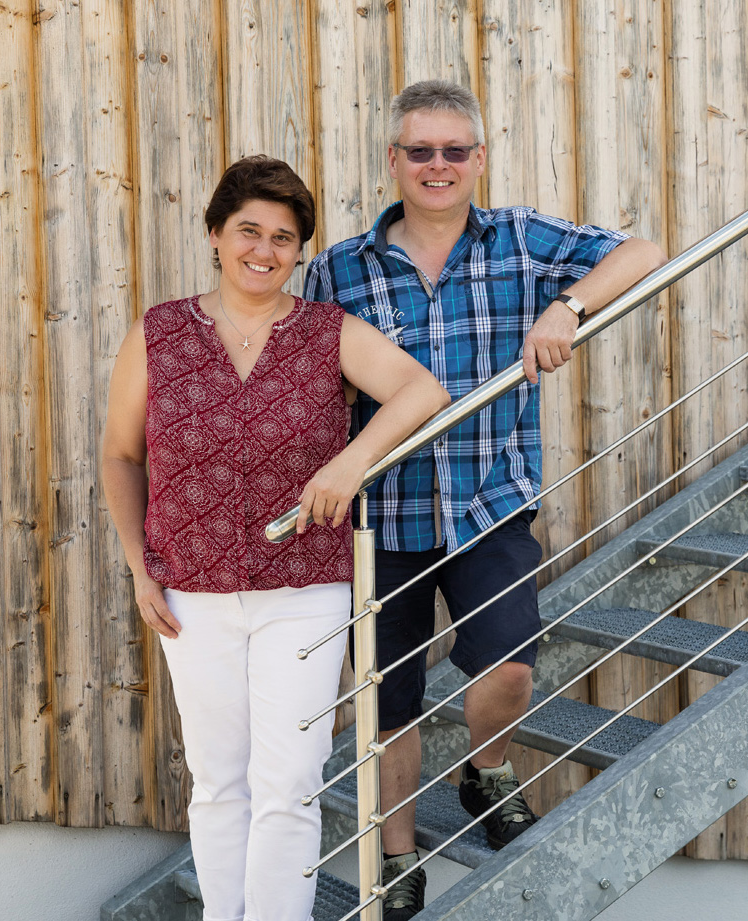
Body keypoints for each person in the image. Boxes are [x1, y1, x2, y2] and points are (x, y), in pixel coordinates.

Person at [304, 81, 667, 919]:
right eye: (419, 151)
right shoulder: (338, 269)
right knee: (388, 700)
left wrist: (566, 306)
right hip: (382, 517)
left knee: (505, 663)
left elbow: (642, 251)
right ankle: (397, 860)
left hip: (490, 501)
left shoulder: (520, 239)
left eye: (454, 150)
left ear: (478, 158)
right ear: (393, 160)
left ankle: (485, 768)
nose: (438, 165)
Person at [102, 155, 449, 921]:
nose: (264, 250)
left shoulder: (327, 333)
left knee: (288, 783)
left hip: (306, 591)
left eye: (284, 238)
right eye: (249, 231)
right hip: (188, 593)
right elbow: (123, 454)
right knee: (220, 782)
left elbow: (422, 390)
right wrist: (139, 567)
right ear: (217, 234)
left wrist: (351, 461)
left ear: (300, 252)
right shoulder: (158, 333)